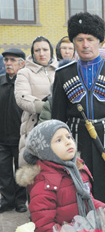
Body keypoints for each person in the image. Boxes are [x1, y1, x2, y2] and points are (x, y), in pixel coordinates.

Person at [52, 12, 105, 207]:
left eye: (90, 39)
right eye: (79, 39)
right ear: (73, 42)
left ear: (99, 41)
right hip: (77, 144)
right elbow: (57, 119)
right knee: (79, 196)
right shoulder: (64, 74)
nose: (85, 44)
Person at [15, 120, 105, 232]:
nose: (67, 142)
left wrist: (101, 209)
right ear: (45, 150)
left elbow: (86, 199)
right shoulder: (44, 183)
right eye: (58, 140)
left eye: (68, 137)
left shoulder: (78, 171)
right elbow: (44, 226)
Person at [15, 36, 58, 167]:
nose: (41, 53)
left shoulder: (60, 71)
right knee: (34, 171)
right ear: (33, 53)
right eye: (37, 50)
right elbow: (22, 98)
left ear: (51, 51)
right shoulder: (24, 73)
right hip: (33, 125)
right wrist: (46, 106)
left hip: (59, 124)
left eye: (45, 49)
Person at [0, 48, 27, 213]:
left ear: (21, 63)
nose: (8, 63)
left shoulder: (25, 83)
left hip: (20, 137)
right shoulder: (0, 82)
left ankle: (20, 201)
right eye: (6, 60)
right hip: (2, 138)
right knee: (3, 171)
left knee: (20, 170)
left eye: (12, 60)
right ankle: (7, 200)